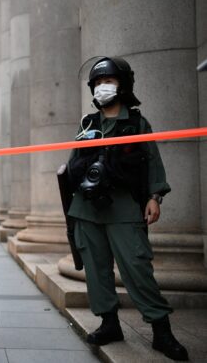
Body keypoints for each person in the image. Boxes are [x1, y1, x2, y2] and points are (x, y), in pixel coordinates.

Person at [66, 57, 188, 361]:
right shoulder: (87, 124)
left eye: (108, 82)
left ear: (123, 86)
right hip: (87, 208)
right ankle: (109, 324)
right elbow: (73, 165)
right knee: (96, 270)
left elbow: (153, 163)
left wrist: (154, 197)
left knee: (137, 268)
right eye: (97, 83)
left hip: (124, 207)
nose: (102, 88)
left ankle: (161, 331)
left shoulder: (137, 124)